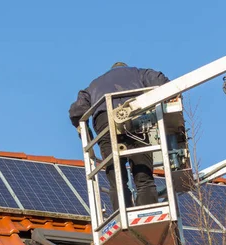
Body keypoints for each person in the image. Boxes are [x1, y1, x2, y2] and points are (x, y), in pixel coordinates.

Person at [69, 62, 169, 210]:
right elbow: (162, 82)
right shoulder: (138, 73)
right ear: (125, 68)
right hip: (135, 119)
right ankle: (148, 212)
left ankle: (122, 216)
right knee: (144, 179)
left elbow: (76, 111)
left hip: (105, 123)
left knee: (117, 181)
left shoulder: (94, 84)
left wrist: (86, 133)